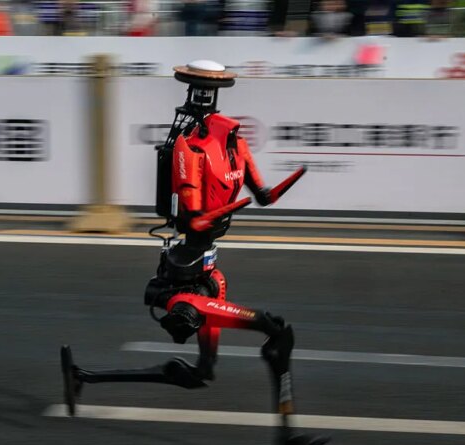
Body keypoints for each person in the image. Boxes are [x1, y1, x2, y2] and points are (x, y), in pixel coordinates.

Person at [60, 60, 328, 445]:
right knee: (277, 330)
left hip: (210, 276)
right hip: (184, 289)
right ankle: (287, 437)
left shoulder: (234, 141)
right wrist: (230, 207)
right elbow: (196, 219)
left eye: (208, 92)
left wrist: (292, 178)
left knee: (203, 372)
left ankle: (84, 376)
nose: (204, 98)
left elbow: (263, 196)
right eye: (200, 91)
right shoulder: (188, 147)